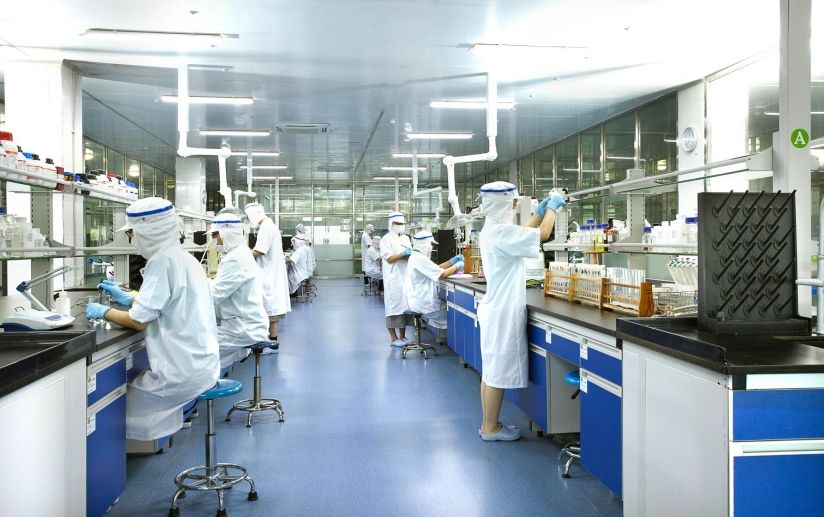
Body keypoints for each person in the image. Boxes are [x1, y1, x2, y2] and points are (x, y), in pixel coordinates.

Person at [86, 197, 219, 441]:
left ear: (149, 231)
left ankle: (104, 461)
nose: (132, 240)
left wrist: (102, 311)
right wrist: (129, 299)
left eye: (132, 234)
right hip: (201, 364)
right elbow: (165, 305)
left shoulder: (161, 261)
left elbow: (139, 321)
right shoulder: (184, 258)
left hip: (179, 372)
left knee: (111, 409)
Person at [476, 183, 565, 442]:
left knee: (491, 371)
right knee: (497, 373)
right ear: (504, 203)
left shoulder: (493, 229)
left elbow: (524, 234)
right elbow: (543, 235)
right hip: (503, 310)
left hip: (494, 307)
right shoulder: (501, 232)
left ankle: (488, 424)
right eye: (513, 202)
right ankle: (490, 428)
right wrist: (553, 208)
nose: (516, 205)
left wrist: (538, 212)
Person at [209, 212, 269, 368]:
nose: (214, 240)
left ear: (227, 233)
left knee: (196, 351)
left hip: (242, 328)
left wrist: (197, 285)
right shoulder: (240, 252)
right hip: (243, 324)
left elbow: (215, 295)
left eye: (215, 235)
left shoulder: (235, 259)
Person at [244, 202, 291, 342]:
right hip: (270, 273)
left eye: (248, 216)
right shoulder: (269, 226)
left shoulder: (266, 228)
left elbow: (259, 251)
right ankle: (272, 342)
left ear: (254, 214)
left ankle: (268, 343)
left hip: (268, 275)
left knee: (269, 311)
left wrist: (240, 255)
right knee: (272, 313)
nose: (248, 219)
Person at [404, 230, 464, 329]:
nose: (432, 247)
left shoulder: (415, 256)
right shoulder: (420, 259)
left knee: (448, 307)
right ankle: (454, 336)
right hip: (424, 304)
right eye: (431, 244)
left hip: (417, 300)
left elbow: (435, 268)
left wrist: (452, 261)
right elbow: (442, 274)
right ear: (424, 244)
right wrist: (458, 265)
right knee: (455, 314)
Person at [379, 212, 412, 346]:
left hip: (404, 276)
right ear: (391, 224)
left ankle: (403, 336)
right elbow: (389, 259)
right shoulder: (385, 240)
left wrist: (410, 254)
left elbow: (409, 255)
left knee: (404, 307)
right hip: (392, 278)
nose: (401, 226)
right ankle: (393, 338)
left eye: (402, 224)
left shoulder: (405, 238)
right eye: (398, 223)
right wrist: (403, 254)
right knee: (393, 307)